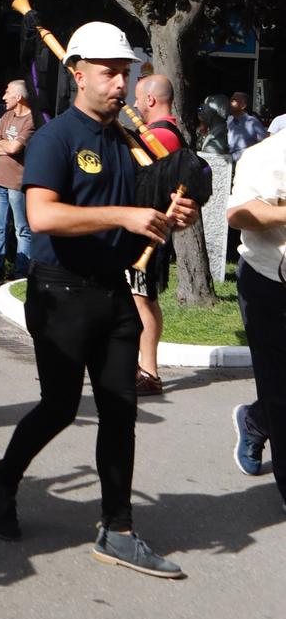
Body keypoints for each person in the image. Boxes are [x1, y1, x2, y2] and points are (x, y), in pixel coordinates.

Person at [0, 22, 197, 578]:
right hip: (60, 290)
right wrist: (122, 215)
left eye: (126, 73)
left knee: (120, 411)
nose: (121, 84)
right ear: (78, 74)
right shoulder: (55, 138)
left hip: (114, 292)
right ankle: (1, 481)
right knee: (58, 407)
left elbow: (139, 214)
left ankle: (117, 528)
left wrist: (167, 220)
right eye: (109, 73)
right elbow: (43, 215)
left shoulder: (127, 143)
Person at [227, 122, 286, 507]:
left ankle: (254, 419)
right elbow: (237, 214)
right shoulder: (264, 154)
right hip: (271, 284)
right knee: (281, 391)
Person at [128, 75, 184, 393]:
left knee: (142, 301)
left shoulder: (160, 135)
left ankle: (149, 372)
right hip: (147, 229)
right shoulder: (162, 134)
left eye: (138, 98)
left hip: (148, 233)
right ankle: (141, 367)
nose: (135, 104)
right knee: (140, 299)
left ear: (150, 100)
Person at [0, 80, 36, 285]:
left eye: (7, 93)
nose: (4, 97)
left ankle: (21, 275)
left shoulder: (32, 120)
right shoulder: (7, 116)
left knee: (22, 230)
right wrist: (6, 145)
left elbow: (15, 148)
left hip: (18, 183)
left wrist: (3, 144)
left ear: (19, 97)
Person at [226, 91, 267, 163]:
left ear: (243, 106)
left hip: (246, 163)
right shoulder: (229, 121)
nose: (230, 103)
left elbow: (264, 144)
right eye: (230, 100)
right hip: (228, 162)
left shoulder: (253, 122)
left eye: (234, 100)